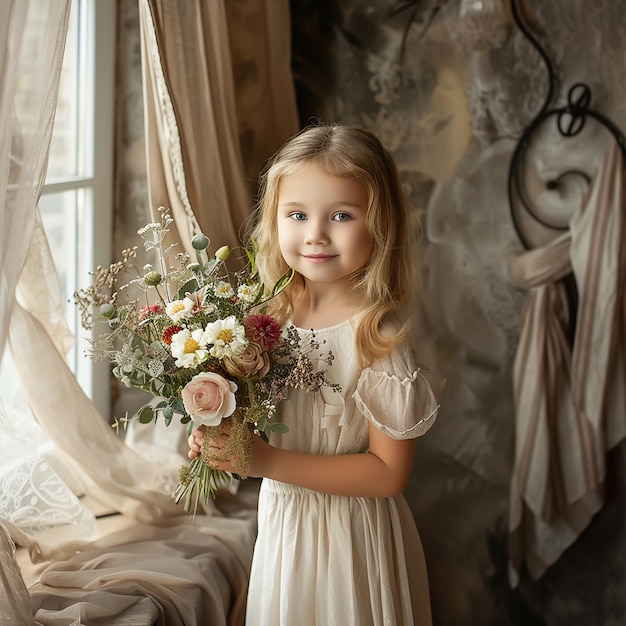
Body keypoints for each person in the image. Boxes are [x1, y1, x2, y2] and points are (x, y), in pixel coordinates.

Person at [188, 122, 439, 625]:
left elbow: (389, 473)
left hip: (352, 541)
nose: (316, 234)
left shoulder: (378, 338)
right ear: (274, 219)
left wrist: (263, 461)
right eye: (297, 214)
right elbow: (258, 429)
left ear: (379, 225)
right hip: (285, 529)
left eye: (342, 215)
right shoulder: (263, 322)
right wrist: (219, 436)